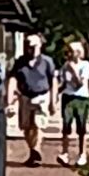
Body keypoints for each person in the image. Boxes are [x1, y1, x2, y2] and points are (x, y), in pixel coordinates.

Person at [10, 33, 59, 165]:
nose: (30, 49)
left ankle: (36, 150)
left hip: (42, 97)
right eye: (28, 46)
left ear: (40, 46)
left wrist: (53, 101)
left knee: (38, 124)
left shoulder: (47, 62)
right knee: (26, 127)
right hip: (25, 97)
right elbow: (13, 79)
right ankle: (33, 150)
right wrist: (10, 99)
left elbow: (53, 81)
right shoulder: (20, 62)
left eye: (33, 46)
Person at [59, 38, 89, 164]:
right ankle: (64, 152)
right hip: (67, 97)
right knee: (66, 125)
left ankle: (82, 153)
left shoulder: (85, 65)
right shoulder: (65, 66)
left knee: (81, 127)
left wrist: (73, 70)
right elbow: (63, 83)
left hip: (80, 97)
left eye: (71, 51)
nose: (68, 54)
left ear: (78, 53)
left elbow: (80, 84)